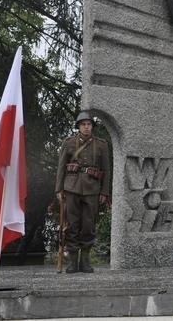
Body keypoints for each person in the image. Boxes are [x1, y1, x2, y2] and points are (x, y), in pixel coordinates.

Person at [55, 111, 110, 273]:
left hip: (93, 189)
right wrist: (59, 188)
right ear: (78, 127)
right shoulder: (69, 143)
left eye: (89, 124)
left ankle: (85, 262)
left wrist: (104, 192)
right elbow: (61, 167)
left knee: (88, 226)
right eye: (83, 124)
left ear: (92, 127)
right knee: (71, 225)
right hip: (71, 187)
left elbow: (106, 170)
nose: (86, 127)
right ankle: (72, 262)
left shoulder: (101, 145)